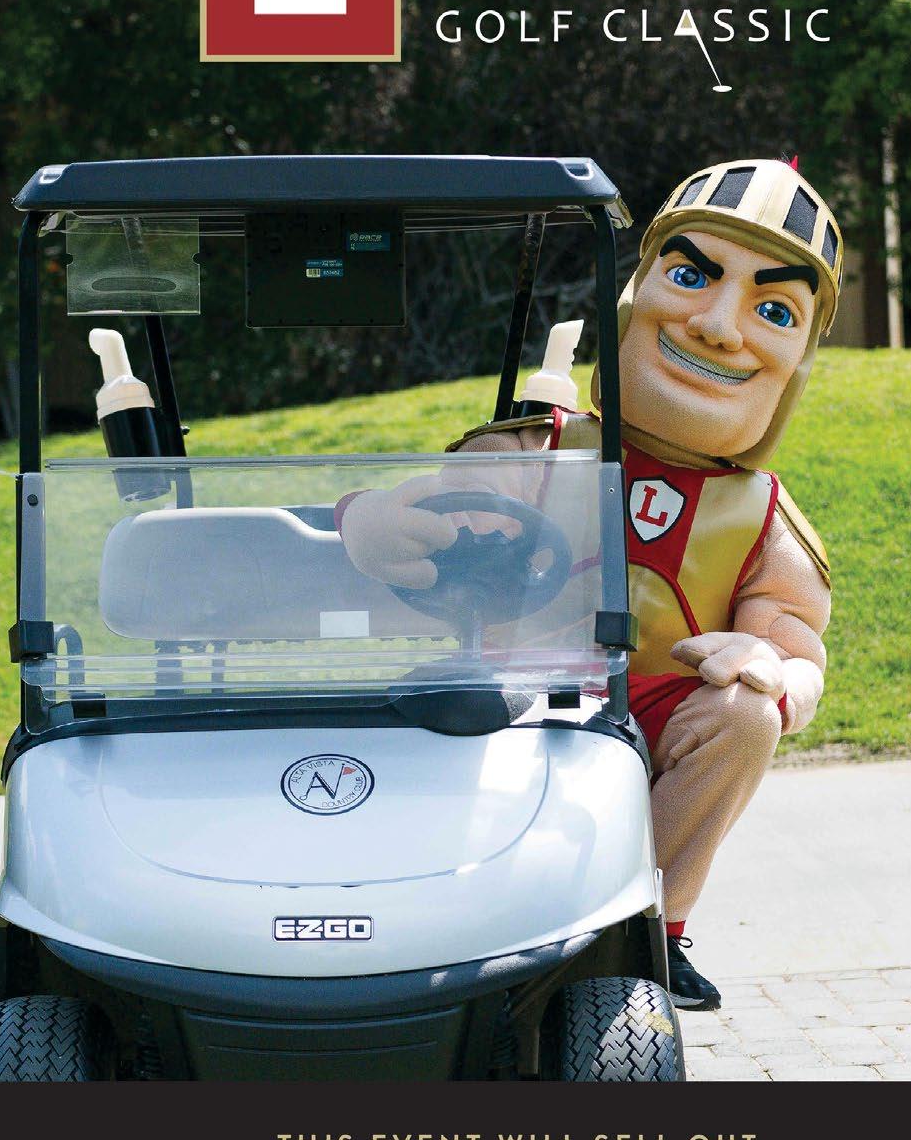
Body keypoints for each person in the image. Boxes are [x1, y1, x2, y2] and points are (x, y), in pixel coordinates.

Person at [339, 158, 842, 1009]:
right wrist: (371, 525)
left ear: (797, 361)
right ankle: (435, 916)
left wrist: (774, 671)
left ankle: (651, 928)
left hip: (656, 705)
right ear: (633, 295)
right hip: (519, 691)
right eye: (690, 276)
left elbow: (797, 652)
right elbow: (429, 511)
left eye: (772, 310)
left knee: (746, 717)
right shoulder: (542, 446)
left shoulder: (763, 515)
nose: (718, 327)